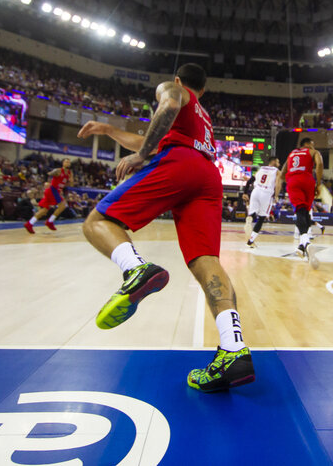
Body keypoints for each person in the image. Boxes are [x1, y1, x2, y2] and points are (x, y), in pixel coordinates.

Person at [76, 64, 255, 392]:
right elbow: (155, 137)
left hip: (180, 166)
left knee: (97, 222)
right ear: (204, 89)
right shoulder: (202, 116)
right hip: (206, 175)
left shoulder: (175, 91)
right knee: (205, 261)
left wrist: (141, 155)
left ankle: (136, 269)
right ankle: (234, 349)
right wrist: (109, 130)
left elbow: (168, 108)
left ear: (178, 81)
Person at [277, 137, 323, 268]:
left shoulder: (291, 154)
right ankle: (304, 245)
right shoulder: (313, 152)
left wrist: (291, 182)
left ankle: (304, 243)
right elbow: (319, 164)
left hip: (293, 180)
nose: (313, 147)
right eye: (312, 144)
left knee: (300, 211)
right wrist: (318, 184)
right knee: (305, 212)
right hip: (308, 180)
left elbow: (282, 174)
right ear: (307, 144)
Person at [24, 158, 74, 233]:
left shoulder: (70, 173)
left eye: (69, 162)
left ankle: (30, 223)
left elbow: (71, 184)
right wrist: (47, 182)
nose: (68, 163)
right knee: (63, 205)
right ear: (63, 163)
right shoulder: (58, 170)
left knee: (44, 210)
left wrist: (71, 180)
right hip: (52, 190)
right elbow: (48, 174)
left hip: (56, 191)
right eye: (66, 161)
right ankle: (50, 221)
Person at [244, 156, 281, 248]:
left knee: (252, 213)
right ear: (275, 162)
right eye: (278, 162)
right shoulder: (277, 171)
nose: (279, 164)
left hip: (255, 191)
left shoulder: (261, 169)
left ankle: (249, 219)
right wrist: (276, 196)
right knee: (261, 218)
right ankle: (251, 240)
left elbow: (250, 181)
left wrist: (245, 192)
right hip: (266, 193)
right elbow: (278, 184)